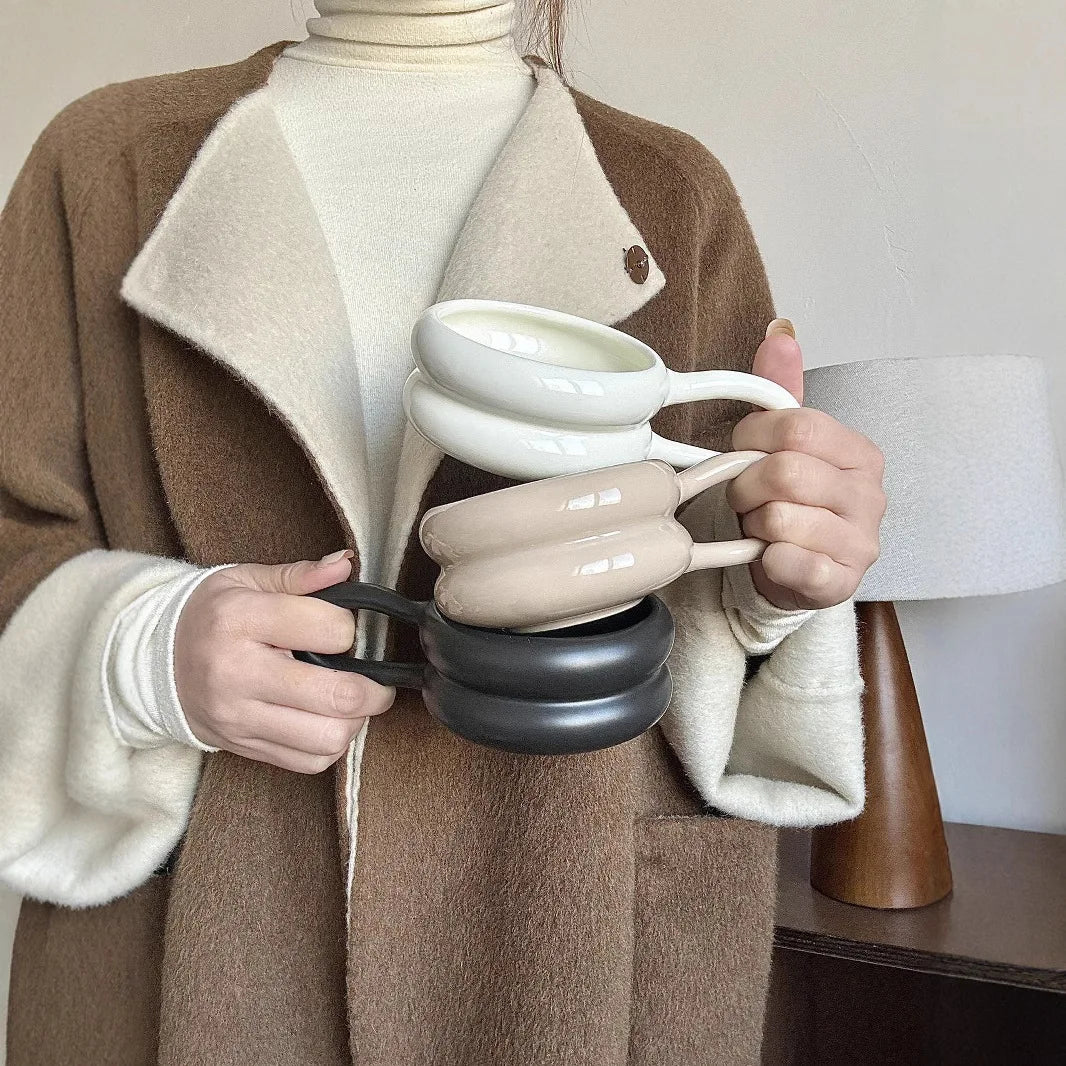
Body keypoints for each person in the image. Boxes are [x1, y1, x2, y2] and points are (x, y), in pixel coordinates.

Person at [0, 1, 886, 1062]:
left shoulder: (671, 194)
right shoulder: (102, 166)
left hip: (570, 940)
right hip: (194, 946)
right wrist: (142, 649)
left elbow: (710, 558)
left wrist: (784, 568)